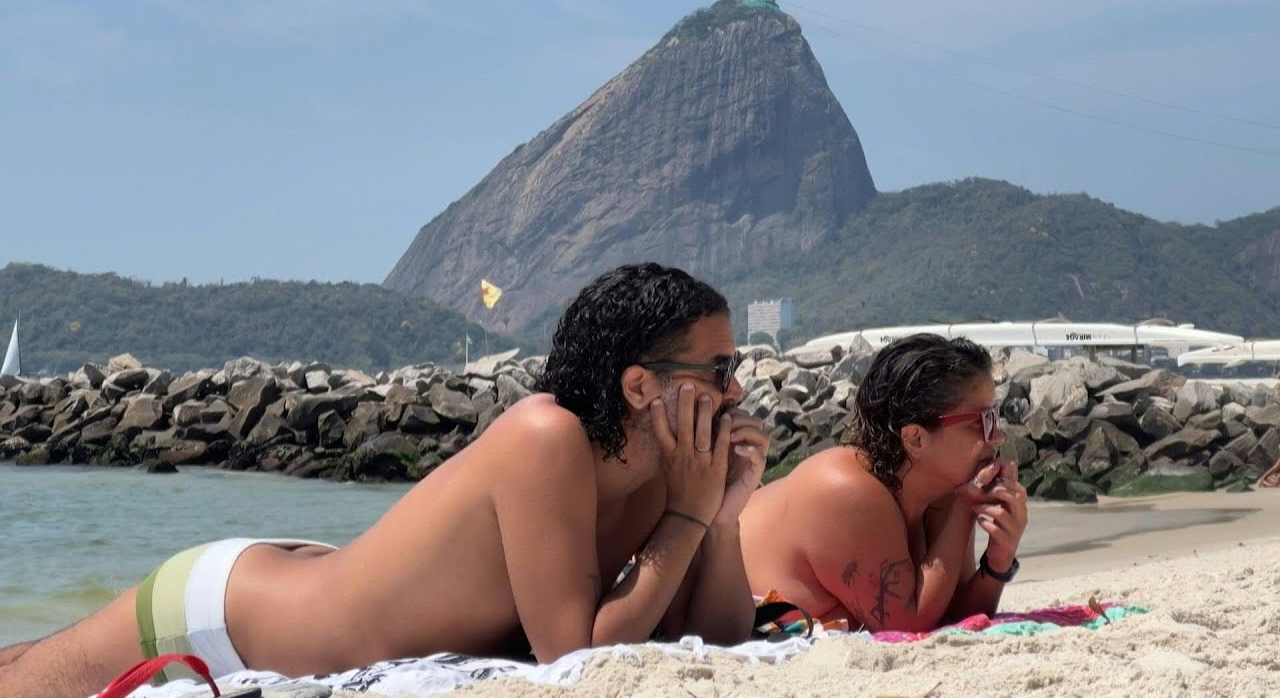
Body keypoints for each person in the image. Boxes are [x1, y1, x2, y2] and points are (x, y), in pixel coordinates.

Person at [0, 263, 768, 698]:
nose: (735, 391)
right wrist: (691, 518)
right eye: (720, 369)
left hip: (299, 584)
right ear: (640, 386)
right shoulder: (547, 437)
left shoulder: (677, 478)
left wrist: (722, 519)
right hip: (226, 621)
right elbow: (573, 659)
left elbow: (719, 641)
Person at [739, 333, 1028, 633]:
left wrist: (999, 559)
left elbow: (954, 613)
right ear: (916, 438)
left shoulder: (942, 491)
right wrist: (965, 511)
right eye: (982, 421)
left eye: (996, 417)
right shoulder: (846, 490)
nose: (997, 436)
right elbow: (908, 624)